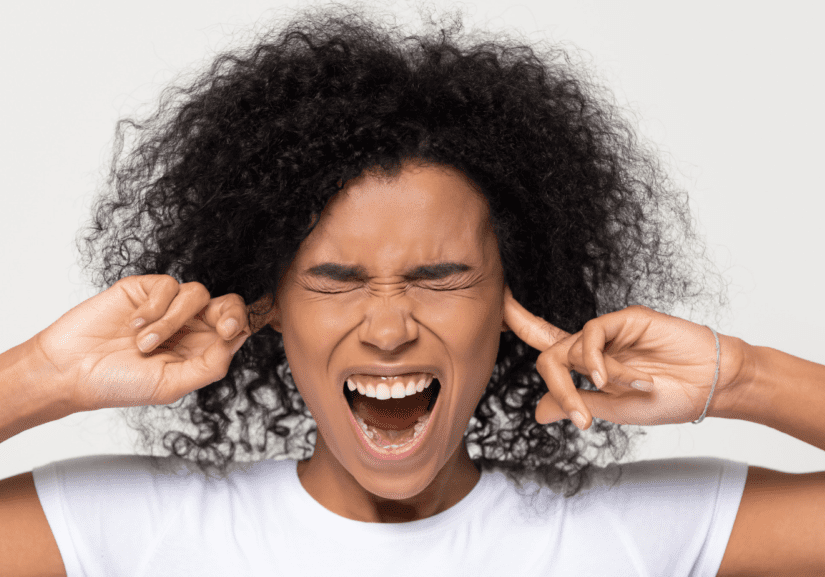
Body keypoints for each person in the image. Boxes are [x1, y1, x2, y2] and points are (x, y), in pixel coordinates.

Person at [1, 5, 823, 576]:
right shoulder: (133, 529)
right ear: (268, 306)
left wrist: (740, 376)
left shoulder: (636, 529)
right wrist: (44, 374)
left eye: (440, 278)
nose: (388, 328)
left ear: (514, 298)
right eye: (333, 280)